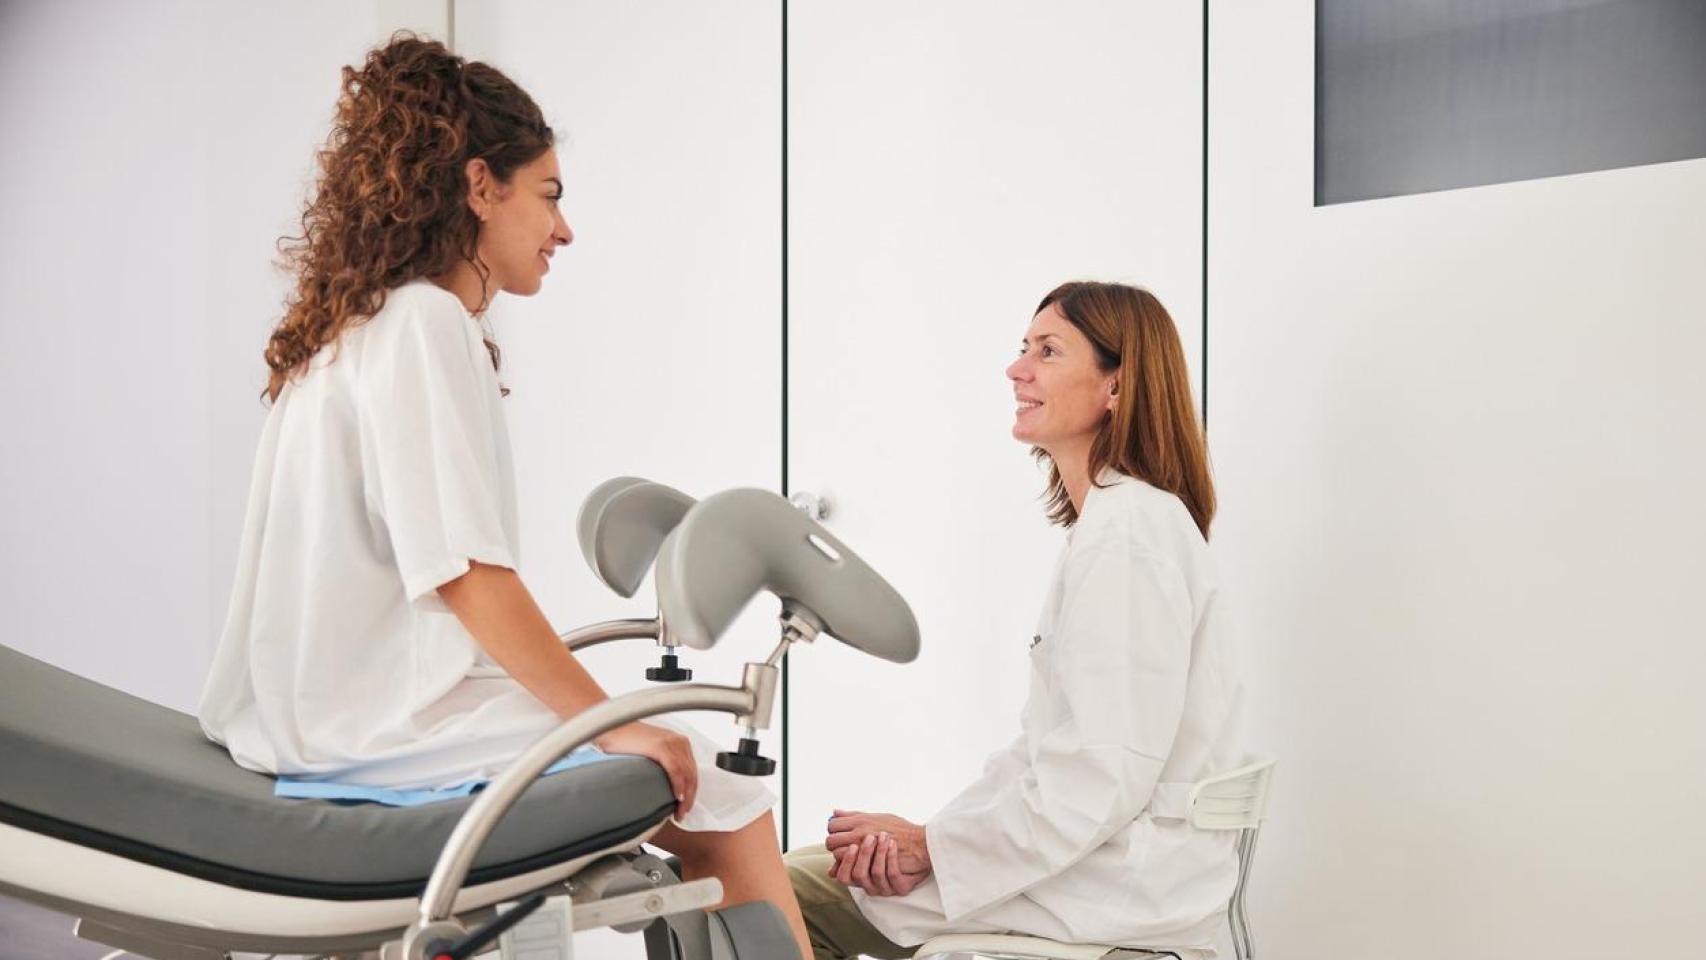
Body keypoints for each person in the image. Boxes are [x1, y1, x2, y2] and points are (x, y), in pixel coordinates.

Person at [196, 34, 812, 958]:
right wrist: (606, 725)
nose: (564, 230)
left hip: (310, 712)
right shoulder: (424, 322)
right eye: (550, 196)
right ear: (480, 186)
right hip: (365, 726)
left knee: (674, 756)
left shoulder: (360, 324)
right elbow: (467, 577)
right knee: (721, 791)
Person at [784, 282, 1247, 958]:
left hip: (1108, 890)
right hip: (1100, 870)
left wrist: (933, 847)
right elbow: (1050, 756)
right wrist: (931, 839)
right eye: (1023, 347)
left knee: (772, 897)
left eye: (1048, 351)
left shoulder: (1126, 537)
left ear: (1116, 387)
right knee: (801, 880)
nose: (1016, 368)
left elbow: (1098, 778)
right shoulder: (1120, 525)